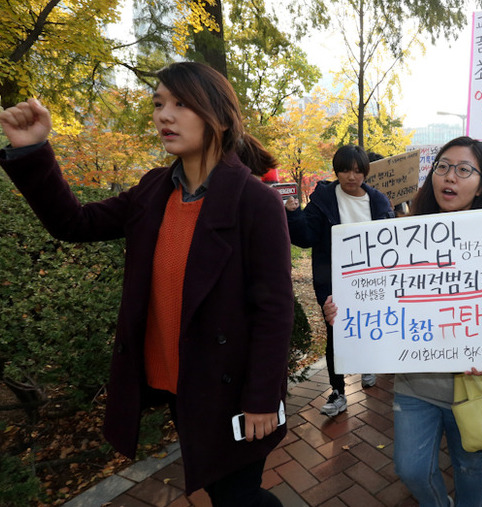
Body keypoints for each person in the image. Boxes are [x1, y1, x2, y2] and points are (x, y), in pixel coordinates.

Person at [0, 62, 293, 506]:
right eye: (158, 104)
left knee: (239, 494)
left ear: (218, 114)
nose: (163, 115)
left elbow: (275, 310)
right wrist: (32, 151)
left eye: (180, 103)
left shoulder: (255, 201)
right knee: (220, 487)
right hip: (178, 380)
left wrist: (262, 399)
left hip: (229, 388)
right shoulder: (154, 189)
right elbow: (73, 223)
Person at [325, 136, 482, 507]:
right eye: (442, 167)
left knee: (470, 466)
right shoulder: (404, 235)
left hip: (473, 386)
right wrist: (344, 313)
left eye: (463, 169)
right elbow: (374, 297)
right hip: (415, 383)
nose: (449, 177)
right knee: (410, 468)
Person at [284, 145, 394, 417]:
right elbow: (306, 238)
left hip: (371, 282)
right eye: (345, 170)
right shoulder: (324, 198)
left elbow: (392, 243)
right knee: (336, 334)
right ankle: (338, 391)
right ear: (336, 171)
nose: (351, 176)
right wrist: (293, 214)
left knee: (370, 326)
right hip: (333, 281)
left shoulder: (378, 201)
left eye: (357, 170)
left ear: (365, 171)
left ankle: (368, 364)